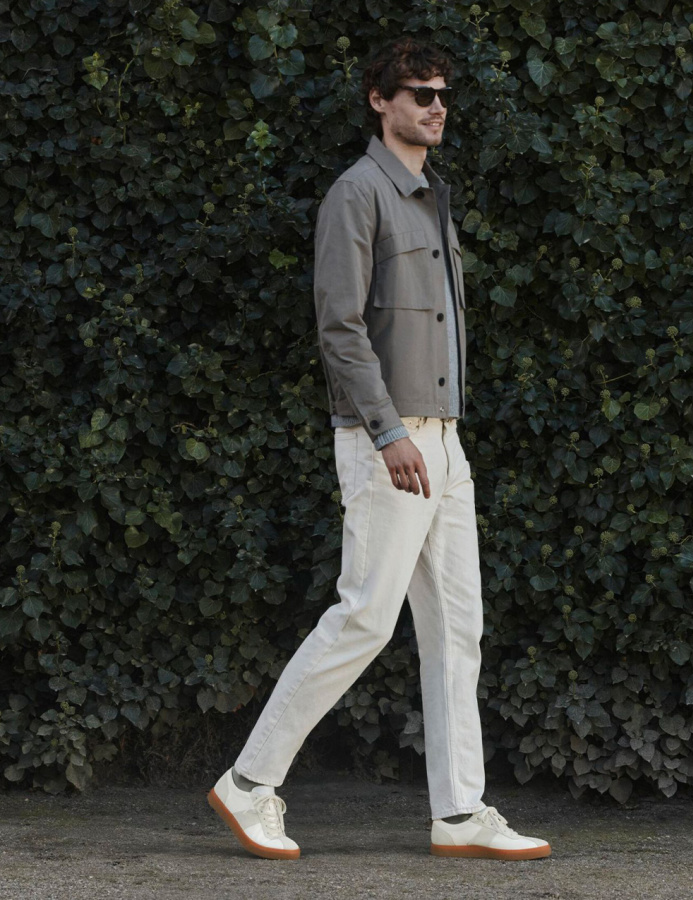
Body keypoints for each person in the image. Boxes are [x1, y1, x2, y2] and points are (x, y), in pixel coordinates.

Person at [207, 36, 551, 862]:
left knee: (457, 629)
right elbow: (340, 328)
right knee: (364, 615)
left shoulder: (431, 197)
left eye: (442, 93)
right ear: (378, 100)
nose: (436, 106)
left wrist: (435, 439)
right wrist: (388, 431)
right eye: (418, 92)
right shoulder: (355, 194)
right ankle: (249, 783)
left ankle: (459, 813)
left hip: (445, 442)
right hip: (388, 439)